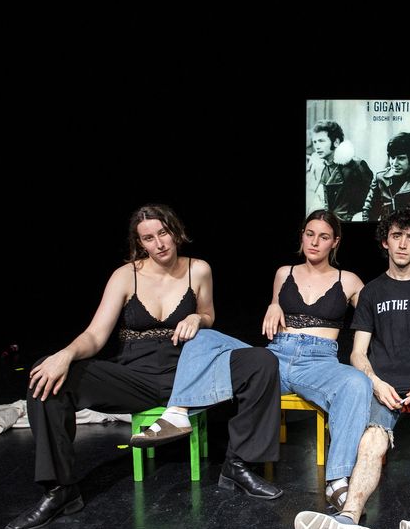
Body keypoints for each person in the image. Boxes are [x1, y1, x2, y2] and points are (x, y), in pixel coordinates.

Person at [5, 204, 279, 529]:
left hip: (189, 372)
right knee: (46, 374)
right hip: (135, 378)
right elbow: (95, 335)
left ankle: (239, 465)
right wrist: (65, 354)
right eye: (149, 238)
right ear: (140, 243)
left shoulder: (198, 270)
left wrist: (197, 318)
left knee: (261, 361)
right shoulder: (125, 275)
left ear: (176, 232)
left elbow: (208, 316)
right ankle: (59, 490)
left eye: (163, 233)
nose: (159, 243)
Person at [135, 210, 373, 510]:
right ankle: (177, 412)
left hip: (318, 363)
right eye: (310, 234)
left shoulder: (349, 280)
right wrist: (274, 305)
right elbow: (276, 307)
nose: (315, 242)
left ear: (334, 242)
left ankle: (337, 480)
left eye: (323, 237)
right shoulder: (284, 273)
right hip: (275, 357)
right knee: (203, 337)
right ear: (302, 236)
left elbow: (374, 317)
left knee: (357, 382)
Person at [293, 208, 410, 529]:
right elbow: (357, 354)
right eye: (396, 236)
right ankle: (348, 520)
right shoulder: (371, 292)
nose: (403, 244)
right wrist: (375, 382)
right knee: (372, 440)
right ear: (385, 241)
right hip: (383, 384)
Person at [312, 119, 373, 221]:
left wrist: (359, 217)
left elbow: (373, 200)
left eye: (321, 141)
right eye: (315, 142)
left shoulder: (356, 166)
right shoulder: (325, 169)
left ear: (336, 142)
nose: (317, 146)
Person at [362, 132, 410, 222]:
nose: (394, 163)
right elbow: (368, 211)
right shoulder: (380, 178)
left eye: (401, 158)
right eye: (392, 157)